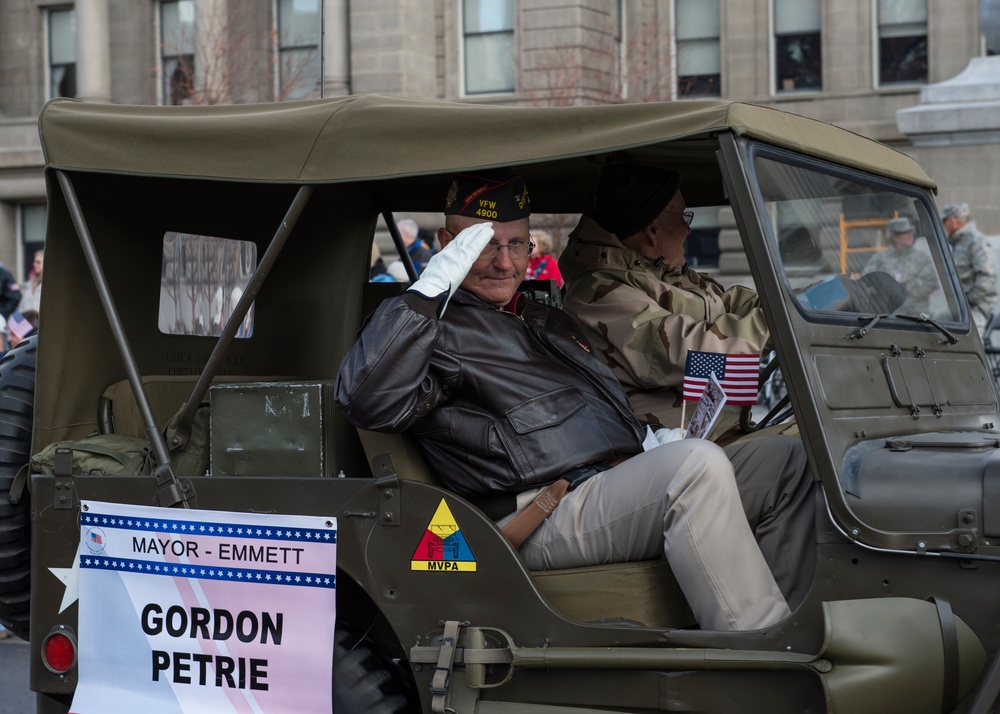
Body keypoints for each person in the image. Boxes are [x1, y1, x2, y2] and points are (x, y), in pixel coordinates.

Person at [337, 170, 814, 631]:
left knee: (785, 462)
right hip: (538, 510)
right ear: (448, 246)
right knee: (696, 466)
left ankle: (788, 628)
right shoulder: (432, 331)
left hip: (604, 482)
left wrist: (648, 439)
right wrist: (424, 295)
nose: (505, 263)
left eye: (517, 244)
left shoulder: (543, 319)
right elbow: (365, 399)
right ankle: (762, 651)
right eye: (483, 246)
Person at [558, 164, 768, 437]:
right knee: (802, 455)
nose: (688, 229)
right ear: (651, 229)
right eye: (683, 217)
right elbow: (688, 351)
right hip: (675, 451)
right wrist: (778, 325)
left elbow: (728, 303)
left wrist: (813, 303)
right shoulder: (597, 292)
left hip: (720, 434)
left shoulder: (661, 273)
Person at [861, 217, 938, 314]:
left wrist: (904, 287)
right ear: (895, 237)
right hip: (888, 317)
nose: (910, 235)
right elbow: (865, 281)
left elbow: (931, 283)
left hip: (917, 316)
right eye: (905, 233)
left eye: (911, 232)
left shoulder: (922, 259)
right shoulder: (879, 258)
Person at [941, 202, 996, 331]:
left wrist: (968, 301)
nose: (943, 225)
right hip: (961, 309)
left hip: (975, 309)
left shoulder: (976, 241)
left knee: (972, 343)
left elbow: (987, 276)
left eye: (944, 220)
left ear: (953, 220)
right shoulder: (957, 242)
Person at [19, 250, 43, 315]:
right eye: (34, 262)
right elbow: (22, 306)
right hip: (26, 322)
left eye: (38, 262)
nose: (34, 264)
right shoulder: (28, 285)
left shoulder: (48, 285)